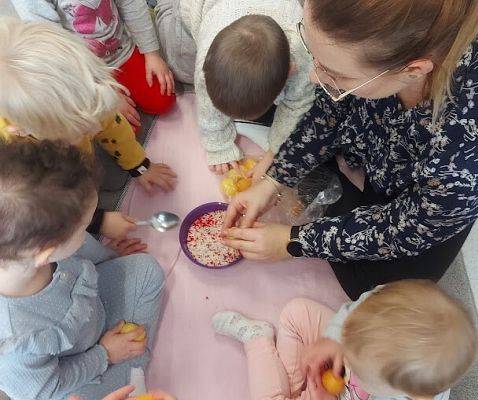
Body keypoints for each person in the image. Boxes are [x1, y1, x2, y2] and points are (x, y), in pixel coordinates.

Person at [222, 0, 478, 300]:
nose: (312, 76)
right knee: (282, 102)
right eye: (316, 58)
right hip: (390, 105)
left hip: (438, 182)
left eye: (335, 72)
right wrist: (274, 178)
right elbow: (331, 104)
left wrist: (293, 242)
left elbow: (410, 226)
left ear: (414, 69)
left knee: (373, 287)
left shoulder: (476, 148)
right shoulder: (372, 39)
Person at [0, 140, 165, 400]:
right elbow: (48, 387)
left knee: (147, 270)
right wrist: (104, 355)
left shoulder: (37, 249)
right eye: (85, 227)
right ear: (46, 252)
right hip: (71, 369)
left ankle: (129, 362)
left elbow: (84, 251)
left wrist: (112, 256)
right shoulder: (17, 340)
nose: (89, 231)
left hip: (91, 313)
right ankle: (132, 370)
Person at [0, 18, 177, 240]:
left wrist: (139, 166)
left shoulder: (84, 98)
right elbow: (50, 207)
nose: (96, 128)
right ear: (22, 130)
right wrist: (98, 221)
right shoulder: (16, 164)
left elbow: (113, 127)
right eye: (83, 131)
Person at [213, 280, 477, 400]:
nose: (346, 359)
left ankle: (257, 340)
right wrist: (334, 340)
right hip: (335, 378)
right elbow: (353, 311)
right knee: (297, 311)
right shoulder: (383, 300)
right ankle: (296, 388)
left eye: (357, 367)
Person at [154, 0, 315, 177]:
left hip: (279, 11)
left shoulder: (302, 54)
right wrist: (218, 147)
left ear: (289, 72)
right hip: (199, 6)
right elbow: (206, 99)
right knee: (179, 67)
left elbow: (297, 104)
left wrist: (275, 151)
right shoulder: (205, 60)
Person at [12, 0, 176, 128]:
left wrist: (151, 53)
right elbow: (55, 46)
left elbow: (131, 4)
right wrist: (102, 91)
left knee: (163, 100)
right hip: (84, 71)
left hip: (122, 49)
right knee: (121, 127)